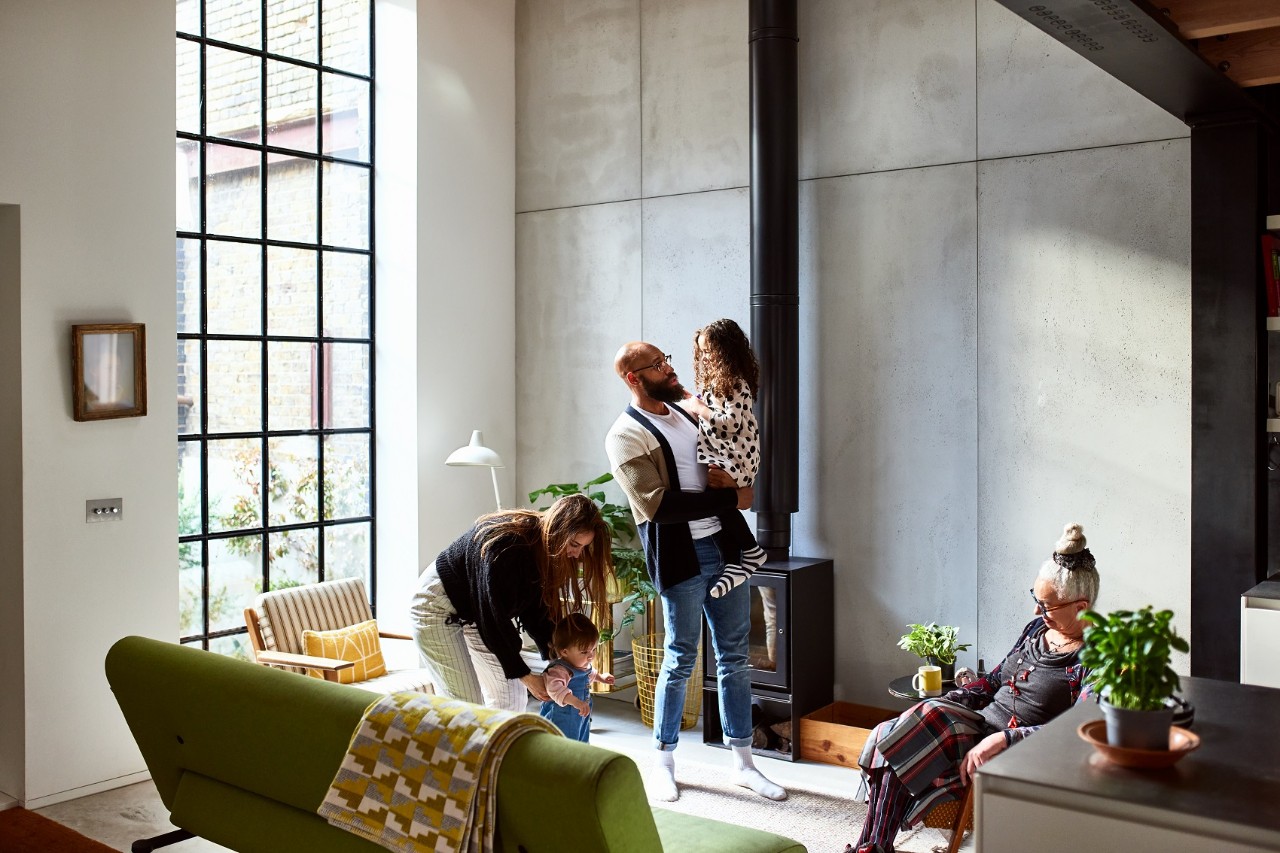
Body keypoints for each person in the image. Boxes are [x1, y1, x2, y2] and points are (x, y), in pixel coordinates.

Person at [605, 340, 787, 804]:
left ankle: (744, 764)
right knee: (681, 657)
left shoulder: (689, 411)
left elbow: (733, 449)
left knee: (734, 657)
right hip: (681, 557)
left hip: (725, 549)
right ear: (633, 378)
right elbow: (656, 505)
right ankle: (664, 763)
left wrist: (739, 485)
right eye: (657, 365)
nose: (669, 369)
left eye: (666, 359)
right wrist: (734, 499)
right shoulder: (625, 434)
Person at [845, 523, 1100, 853]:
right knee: (894, 732)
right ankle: (874, 847)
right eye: (1035, 598)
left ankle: (872, 848)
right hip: (976, 725)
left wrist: (1003, 738)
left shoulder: (1097, 655)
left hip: (1019, 751)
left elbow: (1075, 731)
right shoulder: (1035, 629)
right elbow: (992, 682)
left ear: (1080, 608)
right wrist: (951, 698)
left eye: (1046, 605)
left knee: (895, 737)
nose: (1036, 610)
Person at [409, 493, 611, 713]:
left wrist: (557, 656)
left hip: (475, 611)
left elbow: (534, 609)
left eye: (583, 547)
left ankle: (497, 746)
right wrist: (526, 675)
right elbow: (494, 619)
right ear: (559, 529)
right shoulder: (507, 546)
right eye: (574, 544)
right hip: (436, 604)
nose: (576, 554)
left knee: (511, 698)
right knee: (466, 706)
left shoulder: (540, 552)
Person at [678, 318, 767, 599]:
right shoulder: (719, 383)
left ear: (726, 350)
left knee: (717, 499)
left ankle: (750, 552)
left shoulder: (736, 384)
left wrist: (698, 408)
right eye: (702, 351)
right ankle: (735, 563)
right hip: (730, 456)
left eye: (710, 351)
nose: (706, 357)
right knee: (718, 504)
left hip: (739, 459)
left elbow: (729, 423)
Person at [538, 612, 615, 741]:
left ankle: (580, 756)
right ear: (565, 652)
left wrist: (601, 677)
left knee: (581, 738)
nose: (590, 656)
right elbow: (555, 689)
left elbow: (588, 674)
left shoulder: (581, 665)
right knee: (562, 742)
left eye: (594, 649)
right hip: (561, 715)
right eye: (584, 652)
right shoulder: (560, 670)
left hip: (580, 713)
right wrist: (575, 701)